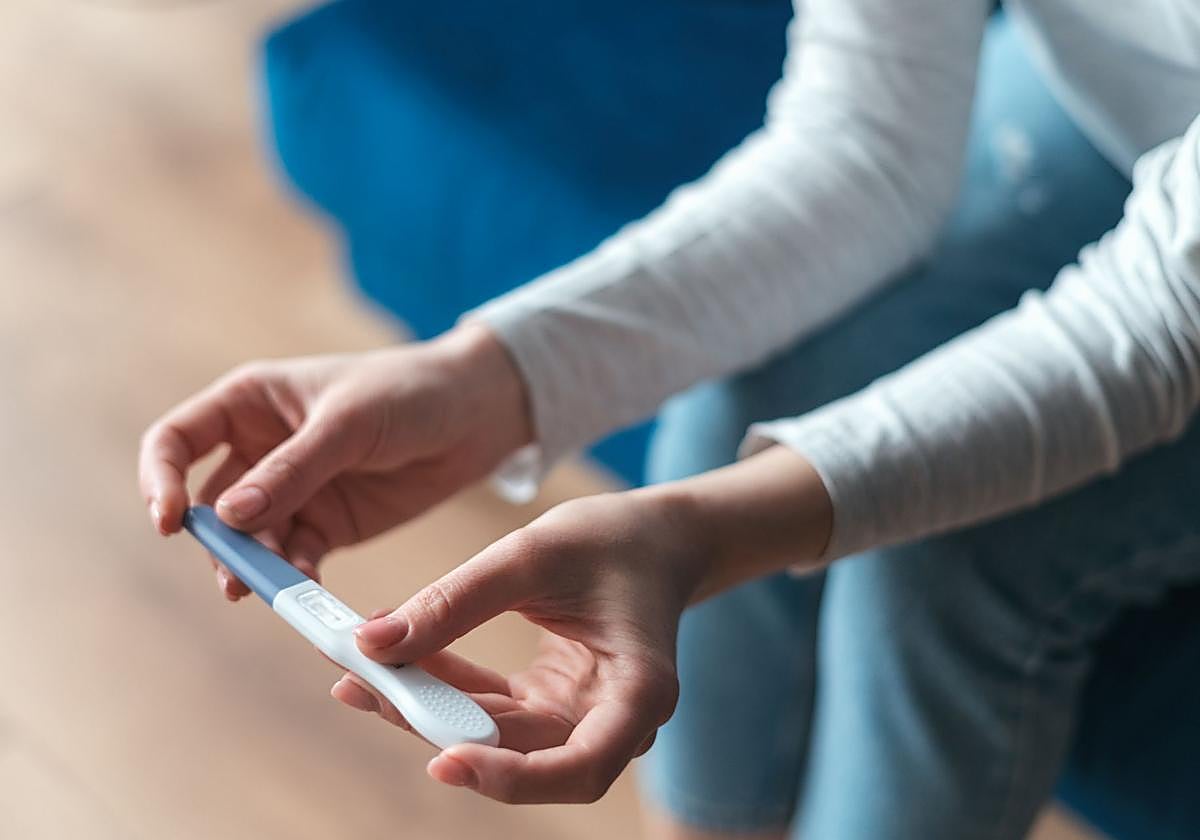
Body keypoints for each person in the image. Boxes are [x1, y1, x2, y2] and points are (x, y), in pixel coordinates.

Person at [139, 1, 1200, 837]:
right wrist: (488, 377)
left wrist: (706, 534)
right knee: (730, 416)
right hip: (1119, 92)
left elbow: (1160, 323)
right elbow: (867, 142)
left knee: (946, 558)